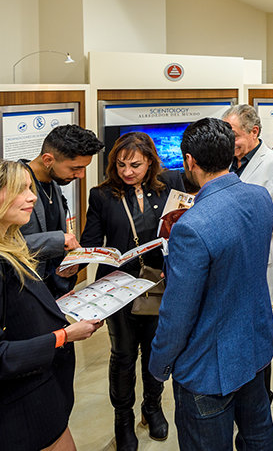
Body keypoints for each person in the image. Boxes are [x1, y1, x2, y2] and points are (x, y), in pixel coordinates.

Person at [149, 118, 273, 451]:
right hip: (255, 348)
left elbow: (178, 313)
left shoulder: (191, 226)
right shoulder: (260, 197)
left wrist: (159, 364)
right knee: (259, 437)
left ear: (190, 161)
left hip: (208, 366)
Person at [80, 132, 184, 450]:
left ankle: (152, 406)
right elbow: (90, 241)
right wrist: (92, 255)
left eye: (135, 165)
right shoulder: (102, 196)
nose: (127, 172)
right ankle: (122, 419)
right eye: (121, 165)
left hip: (156, 282)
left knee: (155, 350)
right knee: (123, 354)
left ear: (150, 161)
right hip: (117, 286)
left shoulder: (168, 187)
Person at [0, 159, 102, 451]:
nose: (32, 197)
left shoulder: (13, 245)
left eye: (30, 189)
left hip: (42, 388)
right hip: (21, 402)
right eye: (21, 190)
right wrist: (64, 336)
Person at [20, 124, 104, 298]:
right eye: (75, 168)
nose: (81, 175)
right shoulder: (10, 186)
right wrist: (58, 240)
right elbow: (5, 244)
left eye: (84, 168)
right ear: (48, 160)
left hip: (52, 293)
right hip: (22, 293)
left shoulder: (55, 184)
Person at [223, 105, 273, 304]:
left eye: (234, 136)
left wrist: (227, 217)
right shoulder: (225, 161)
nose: (228, 142)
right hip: (226, 261)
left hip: (256, 260)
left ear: (254, 132)